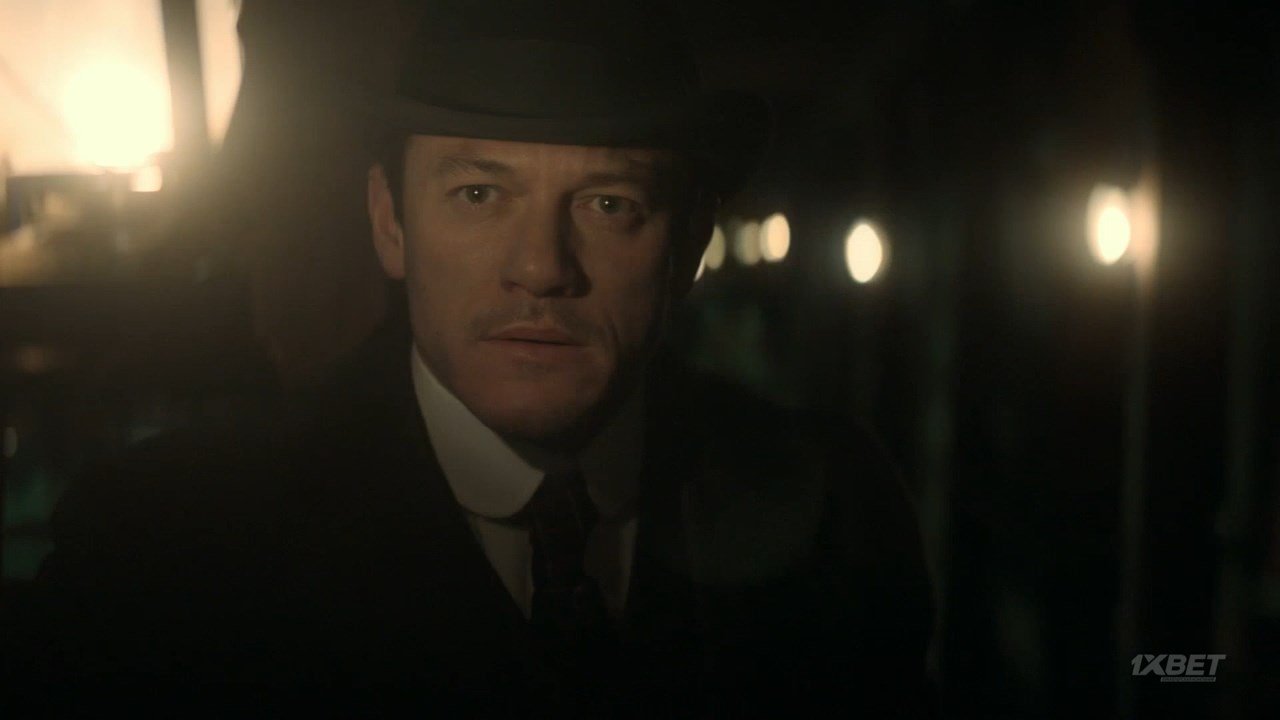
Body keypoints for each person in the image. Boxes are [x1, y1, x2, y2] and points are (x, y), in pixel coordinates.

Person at [2, 0, 935, 714]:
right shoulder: (168, 552)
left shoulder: (837, 518)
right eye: (480, 194)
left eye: (609, 204)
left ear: (689, 242)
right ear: (389, 222)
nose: (542, 267)